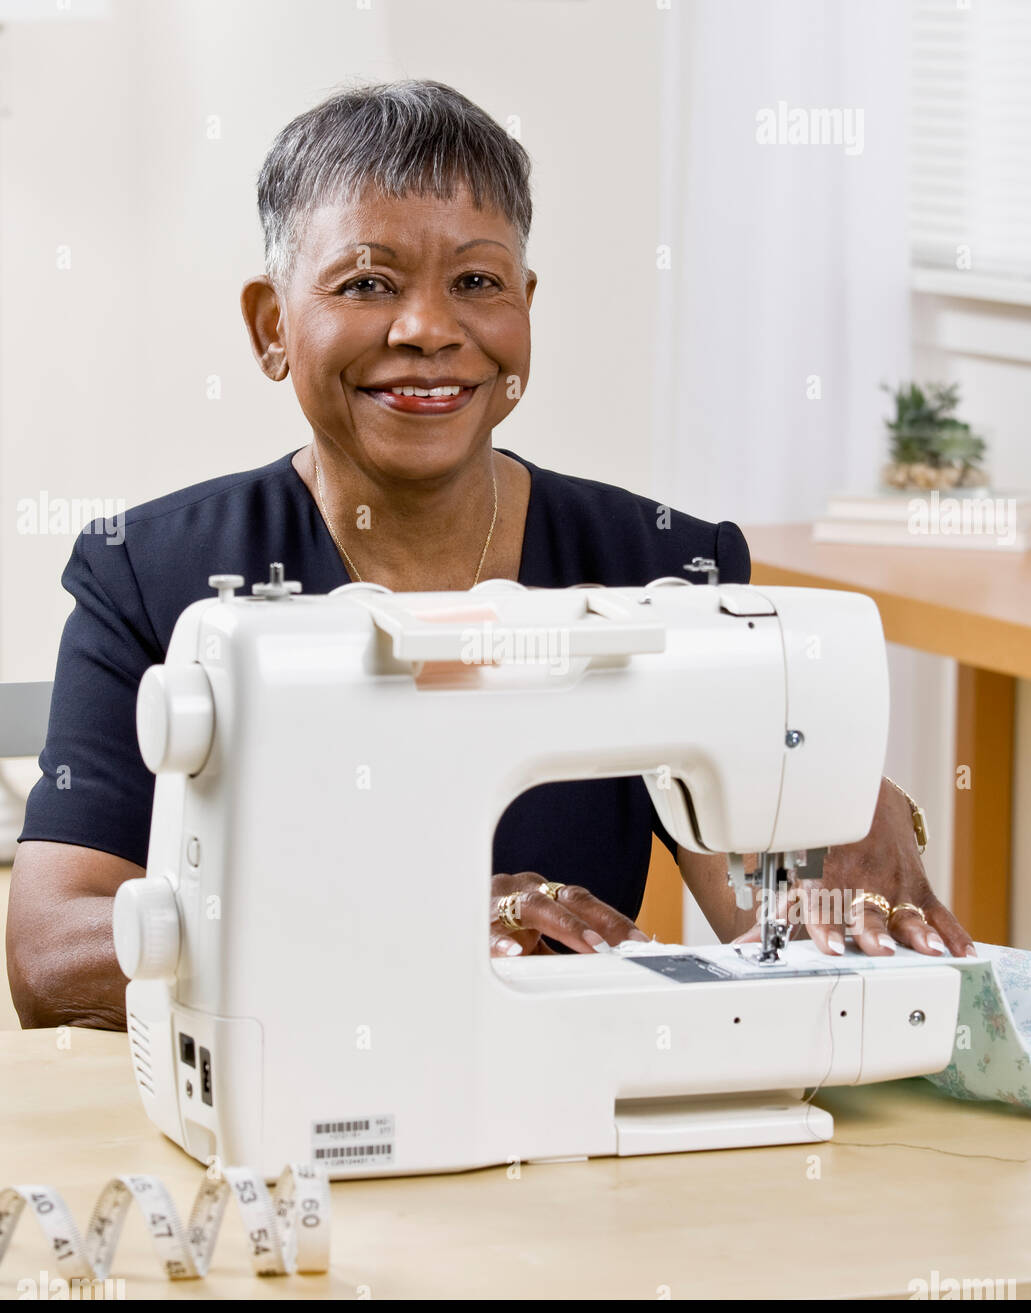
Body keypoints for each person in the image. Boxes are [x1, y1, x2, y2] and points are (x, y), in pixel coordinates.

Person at [6, 80, 973, 1031]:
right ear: (271, 327)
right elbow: (50, 950)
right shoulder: (148, 574)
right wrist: (397, 933)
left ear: (524, 309)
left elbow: (765, 920)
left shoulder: (660, 564)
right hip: (280, 1119)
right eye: (367, 283)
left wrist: (834, 815)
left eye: (477, 282)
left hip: (575, 1123)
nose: (430, 330)